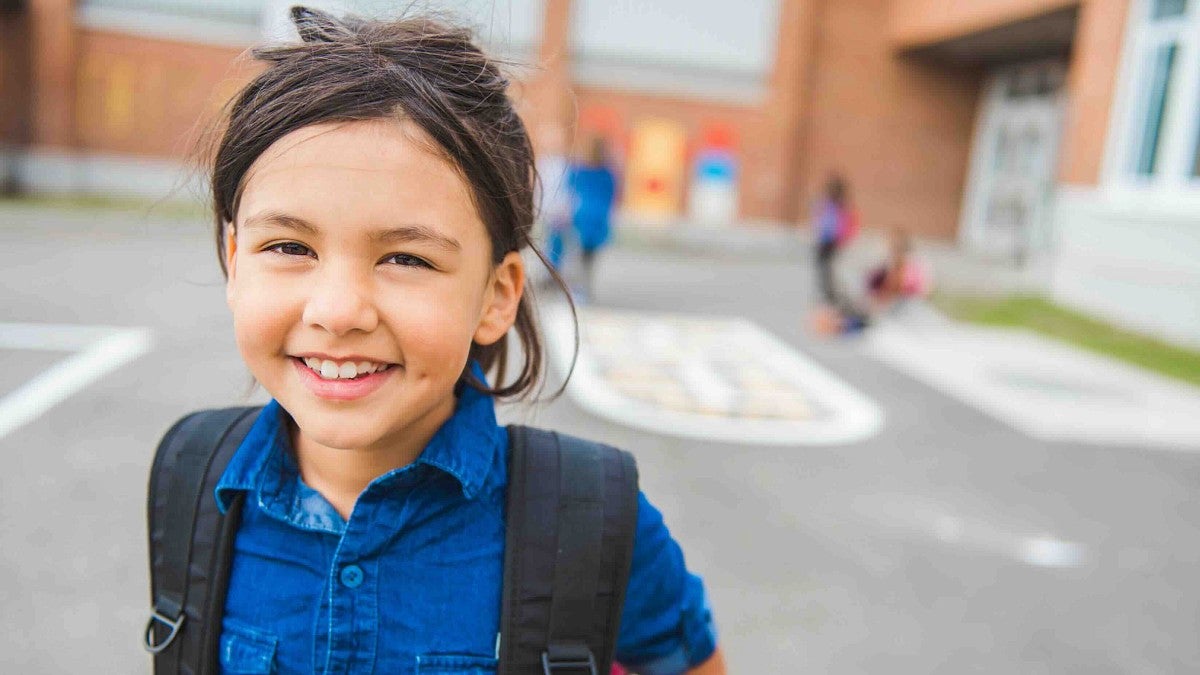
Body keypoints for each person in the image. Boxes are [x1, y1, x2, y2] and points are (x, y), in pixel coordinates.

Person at [159, 7, 724, 674]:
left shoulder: (594, 517)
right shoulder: (189, 477)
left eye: (406, 258)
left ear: (497, 296)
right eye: (288, 245)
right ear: (233, 258)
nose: (339, 312)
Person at [569, 136, 618, 300]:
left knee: (578, 255)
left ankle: (578, 288)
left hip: (582, 218)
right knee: (590, 258)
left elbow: (571, 191)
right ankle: (585, 287)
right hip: (598, 220)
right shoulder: (608, 174)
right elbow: (613, 195)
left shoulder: (580, 171)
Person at [812, 174, 857, 304]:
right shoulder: (828, 203)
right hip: (826, 240)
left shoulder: (841, 205)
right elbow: (818, 218)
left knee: (828, 268)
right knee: (824, 267)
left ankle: (832, 294)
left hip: (833, 241)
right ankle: (828, 293)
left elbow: (846, 223)